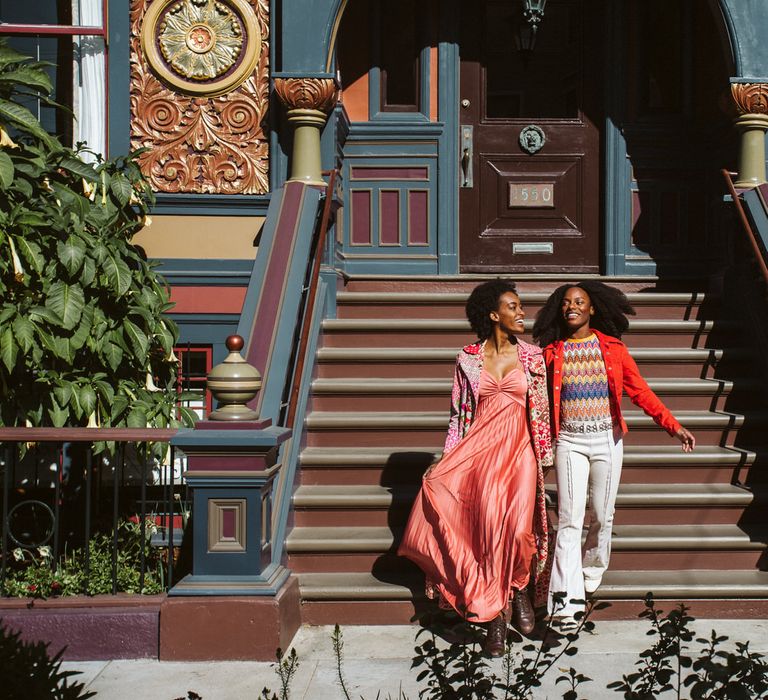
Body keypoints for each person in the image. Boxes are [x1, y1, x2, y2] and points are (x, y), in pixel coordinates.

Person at [398, 280, 553, 656]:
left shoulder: (533, 357)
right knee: (486, 534)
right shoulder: (467, 357)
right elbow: (459, 416)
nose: (522, 313)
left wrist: (547, 459)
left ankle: (517, 592)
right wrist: (447, 458)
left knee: (517, 532)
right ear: (493, 314)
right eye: (513, 307)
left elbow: (543, 411)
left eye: (521, 307)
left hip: (520, 452)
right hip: (479, 453)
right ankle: (496, 618)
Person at [532, 281, 695, 621]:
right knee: (568, 520)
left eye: (579, 302)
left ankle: (591, 571)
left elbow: (640, 391)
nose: (571, 307)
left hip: (607, 440)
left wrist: (673, 425)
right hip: (570, 442)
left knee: (602, 515)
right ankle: (565, 602)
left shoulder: (613, 349)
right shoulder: (551, 352)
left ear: (593, 309)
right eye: (566, 302)